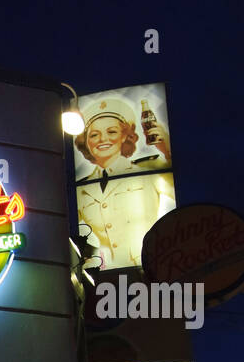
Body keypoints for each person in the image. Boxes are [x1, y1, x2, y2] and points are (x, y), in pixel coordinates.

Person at [73, 95, 174, 270]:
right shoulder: (82, 188)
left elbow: (178, 189)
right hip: (107, 278)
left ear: (124, 137)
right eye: (94, 134)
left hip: (152, 268)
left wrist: (167, 149)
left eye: (111, 132)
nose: (103, 139)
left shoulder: (148, 169)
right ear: (87, 143)